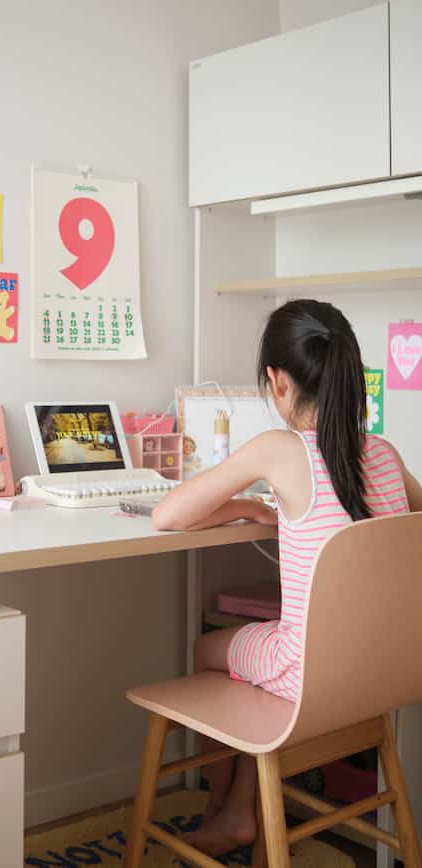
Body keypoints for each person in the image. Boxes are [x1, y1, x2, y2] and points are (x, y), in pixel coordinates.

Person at [152, 299, 422, 858]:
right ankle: (243, 809)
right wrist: (263, 513)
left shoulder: (280, 450)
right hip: (381, 677)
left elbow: (167, 515)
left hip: (305, 679)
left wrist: (245, 510)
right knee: (269, 645)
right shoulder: (387, 455)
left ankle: (227, 814)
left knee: (208, 649)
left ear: (277, 382)